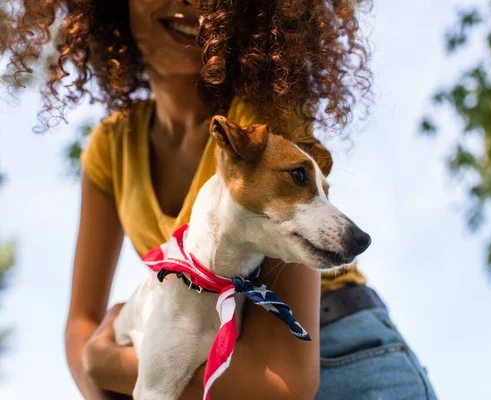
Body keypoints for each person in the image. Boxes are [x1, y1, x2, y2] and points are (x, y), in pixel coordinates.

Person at [7, 0, 438, 399]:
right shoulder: (110, 146)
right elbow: (81, 325)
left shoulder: (263, 126)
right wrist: (110, 374)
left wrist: (112, 368)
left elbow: (283, 384)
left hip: (343, 360)